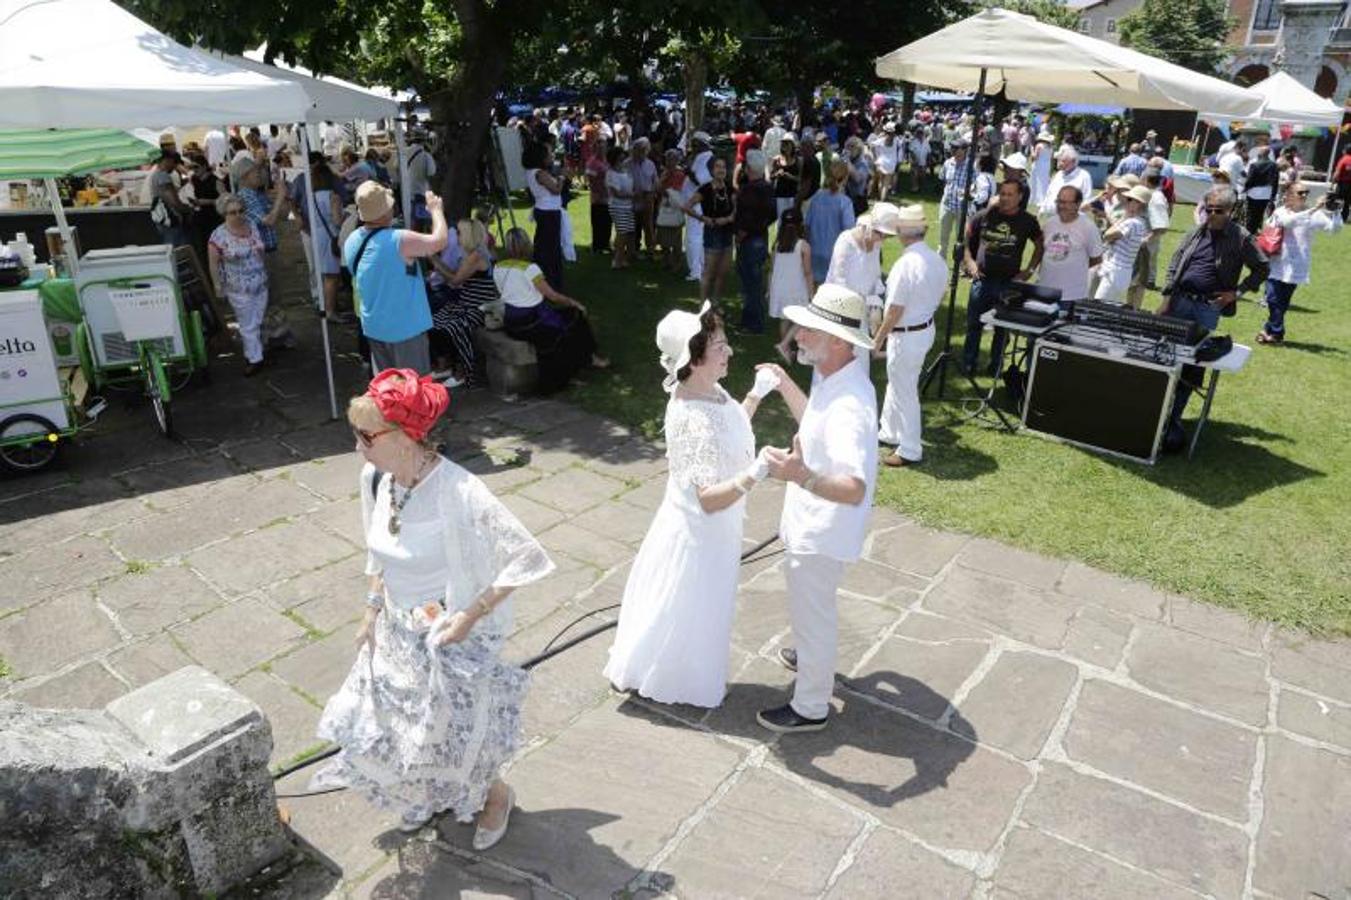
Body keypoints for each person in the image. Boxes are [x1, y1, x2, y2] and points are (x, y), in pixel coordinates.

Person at [314, 369, 553, 842]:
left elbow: (527, 555)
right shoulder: (377, 480)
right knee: (408, 727)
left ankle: (496, 794)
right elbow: (375, 550)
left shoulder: (459, 491)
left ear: (405, 438)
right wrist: (370, 612)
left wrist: (469, 615)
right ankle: (426, 795)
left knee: (460, 732)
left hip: (444, 636)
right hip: (397, 631)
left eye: (365, 436)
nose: (357, 446)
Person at [603, 305, 773, 707]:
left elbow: (728, 431)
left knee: (687, 609)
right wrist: (758, 471)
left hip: (715, 530)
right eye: (719, 346)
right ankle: (673, 678)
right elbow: (708, 499)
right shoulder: (691, 416)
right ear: (694, 358)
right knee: (689, 609)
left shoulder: (709, 390)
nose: (729, 351)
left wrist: (755, 395)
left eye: (725, 343)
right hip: (700, 535)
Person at [752, 284, 878, 733]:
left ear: (839, 341)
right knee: (811, 610)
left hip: (822, 531)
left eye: (809, 330)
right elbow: (813, 421)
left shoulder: (849, 406)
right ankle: (809, 657)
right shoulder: (833, 375)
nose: (798, 336)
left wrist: (799, 475)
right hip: (812, 522)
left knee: (814, 615)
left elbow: (853, 488)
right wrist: (785, 383)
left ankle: (810, 706)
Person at [1159, 185, 1269, 449]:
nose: (1211, 214)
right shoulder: (1198, 231)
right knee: (1165, 356)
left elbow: (1262, 267)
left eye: (1218, 211)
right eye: (1208, 209)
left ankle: (1174, 418)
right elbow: (1175, 262)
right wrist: (1166, 297)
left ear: (1231, 211)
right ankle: (1158, 411)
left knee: (1192, 365)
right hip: (1179, 303)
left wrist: (1237, 293)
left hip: (1207, 309)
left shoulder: (1240, 237)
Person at [345, 181, 448, 374]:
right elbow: (440, 241)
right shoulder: (398, 240)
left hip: (375, 329)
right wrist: (436, 210)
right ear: (385, 212)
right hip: (405, 330)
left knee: (390, 393)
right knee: (413, 392)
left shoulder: (352, 240)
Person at [875, 205, 947, 468]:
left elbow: (894, 310)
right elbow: (942, 294)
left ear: (901, 232)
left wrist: (878, 339)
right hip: (924, 329)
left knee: (905, 389)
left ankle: (910, 448)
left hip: (907, 334)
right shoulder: (937, 259)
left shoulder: (905, 265)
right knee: (898, 381)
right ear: (924, 230)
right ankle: (889, 431)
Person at [493, 227, 608, 391]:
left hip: (512, 321)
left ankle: (589, 358)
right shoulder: (530, 269)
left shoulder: (498, 267)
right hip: (531, 321)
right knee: (574, 318)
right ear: (526, 245)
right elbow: (552, 296)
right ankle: (587, 359)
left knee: (566, 321)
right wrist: (574, 302)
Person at [962, 181, 1043, 375]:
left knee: (1003, 329)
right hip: (982, 280)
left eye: (1010, 194)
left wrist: (1029, 271)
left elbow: (1040, 245)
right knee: (974, 325)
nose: (1005, 198)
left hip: (1009, 284)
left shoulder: (1028, 221)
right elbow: (965, 239)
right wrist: (970, 262)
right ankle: (968, 363)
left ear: (1020, 197)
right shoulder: (985, 215)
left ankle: (996, 366)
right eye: (1003, 194)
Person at [1257, 182, 1342, 344]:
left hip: (1296, 266)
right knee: (1272, 298)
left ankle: (1268, 330)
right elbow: (1288, 222)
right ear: (1289, 195)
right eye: (1300, 193)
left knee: (1282, 303)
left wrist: (1336, 211)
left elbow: (1333, 230)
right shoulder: (1280, 211)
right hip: (1276, 262)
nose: (1304, 196)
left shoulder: (1313, 214)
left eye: (1306, 193)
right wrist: (1314, 209)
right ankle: (1277, 333)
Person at [428, 219, 495, 388]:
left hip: (478, 308)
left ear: (468, 235)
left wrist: (434, 260)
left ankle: (463, 371)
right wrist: (438, 263)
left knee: (455, 326)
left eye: (458, 232)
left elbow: (455, 280)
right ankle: (445, 364)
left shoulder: (476, 255)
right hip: (466, 304)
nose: (455, 235)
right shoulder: (472, 253)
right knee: (431, 322)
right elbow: (455, 276)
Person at [207, 194, 270, 376]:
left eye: (241, 211)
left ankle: (255, 352)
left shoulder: (252, 225)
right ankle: (254, 359)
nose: (238, 215)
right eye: (232, 212)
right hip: (239, 287)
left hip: (260, 282)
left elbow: (260, 251)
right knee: (247, 323)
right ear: (224, 214)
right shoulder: (218, 235)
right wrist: (218, 286)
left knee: (256, 321)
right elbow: (213, 263)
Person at [734, 149, 777, 334]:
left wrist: (742, 233)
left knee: (750, 284)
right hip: (761, 237)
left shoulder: (749, 190)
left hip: (750, 239)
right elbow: (773, 214)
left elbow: (747, 217)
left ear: (749, 168)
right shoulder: (768, 187)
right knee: (755, 282)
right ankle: (752, 320)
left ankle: (752, 323)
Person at [684, 156, 736, 305]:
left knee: (723, 272)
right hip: (712, 232)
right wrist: (703, 218)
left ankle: (716, 303)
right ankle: (703, 306)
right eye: (718, 167)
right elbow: (687, 206)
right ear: (712, 171)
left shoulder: (729, 188)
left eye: (724, 167)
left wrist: (730, 218)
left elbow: (737, 207)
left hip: (727, 233)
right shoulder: (705, 189)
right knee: (709, 272)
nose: (721, 170)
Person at [1037, 186, 1103, 303]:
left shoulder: (1088, 227)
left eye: (1065, 203)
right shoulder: (1050, 223)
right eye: (1059, 201)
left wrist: (1075, 267)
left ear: (1077, 204)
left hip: (1070, 296)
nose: (1061, 206)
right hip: (1044, 290)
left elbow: (1096, 259)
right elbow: (1043, 250)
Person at [1095, 185, 1152, 305]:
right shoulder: (1140, 223)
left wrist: (1123, 217)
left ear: (1139, 204)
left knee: (1099, 306)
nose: (1126, 202)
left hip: (1115, 272)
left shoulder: (1131, 223)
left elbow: (1107, 235)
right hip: (1122, 272)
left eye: (1130, 199)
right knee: (1109, 308)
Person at [769, 208, 814, 358]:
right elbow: (807, 272)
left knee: (784, 319)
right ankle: (784, 345)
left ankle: (786, 349)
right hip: (796, 287)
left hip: (779, 288)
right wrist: (811, 292)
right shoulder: (803, 246)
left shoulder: (777, 246)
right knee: (804, 317)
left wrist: (769, 289)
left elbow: (772, 269)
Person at [804, 159, 857, 284]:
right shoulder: (845, 202)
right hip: (835, 255)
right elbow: (849, 232)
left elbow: (807, 226)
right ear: (845, 178)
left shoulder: (817, 197)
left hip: (814, 251)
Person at [684, 131, 714, 283]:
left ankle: (696, 271)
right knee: (697, 237)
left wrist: (689, 173)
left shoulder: (706, 157)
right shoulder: (700, 157)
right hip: (694, 203)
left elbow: (702, 182)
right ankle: (699, 268)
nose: (692, 147)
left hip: (698, 204)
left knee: (694, 238)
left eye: (695, 144)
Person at [149, 150, 193, 248]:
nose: (174, 166)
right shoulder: (163, 176)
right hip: (171, 218)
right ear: (167, 160)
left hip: (162, 219)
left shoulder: (156, 175)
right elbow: (173, 201)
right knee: (179, 251)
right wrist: (187, 210)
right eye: (174, 162)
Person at [937, 139, 972, 262]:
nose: (954, 151)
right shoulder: (948, 163)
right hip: (947, 205)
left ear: (965, 150)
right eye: (953, 148)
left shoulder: (971, 165)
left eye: (957, 148)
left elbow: (976, 185)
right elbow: (943, 180)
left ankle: (960, 263)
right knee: (943, 236)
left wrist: (969, 193)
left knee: (961, 238)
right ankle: (940, 260)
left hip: (963, 208)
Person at [1038, 145, 1094, 219]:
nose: (1060, 164)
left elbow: (1086, 200)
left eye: (1063, 161)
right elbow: (1049, 193)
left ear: (1073, 162)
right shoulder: (1059, 174)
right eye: (1060, 160)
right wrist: (1042, 209)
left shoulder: (1084, 176)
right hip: (1052, 217)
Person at [655, 150, 688, 274]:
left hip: (675, 207)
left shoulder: (680, 174)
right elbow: (657, 189)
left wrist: (667, 192)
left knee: (675, 239)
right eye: (668, 159)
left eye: (673, 159)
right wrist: (663, 179)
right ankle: (666, 260)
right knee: (663, 237)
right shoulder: (664, 173)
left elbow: (678, 191)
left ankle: (677, 263)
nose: (670, 162)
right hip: (664, 207)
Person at [605, 145, 637, 270]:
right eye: (620, 158)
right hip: (617, 206)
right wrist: (633, 195)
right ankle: (617, 260)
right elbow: (616, 193)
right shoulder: (611, 174)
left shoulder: (625, 171)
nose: (623, 160)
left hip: (628, 206)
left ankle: (623, 258)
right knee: (622, 232)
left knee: (628, 232)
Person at [1243, 145, 1279, 235]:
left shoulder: (1254, 165)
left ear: (1260, 153)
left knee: (1251, 214)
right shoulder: (1273, 165)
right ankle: (1255, 231)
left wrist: (1245, 188)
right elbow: (1275, 181)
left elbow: (1249, 179)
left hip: (1254, 193)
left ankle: (1249, 232)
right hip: (1266, 193)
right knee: (1260, 214)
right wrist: (1273, 195)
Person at [405, 130, 437, 230]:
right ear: (424, 141)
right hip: (421, 191)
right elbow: (431, 173)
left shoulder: (404, 152)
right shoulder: (426, 155)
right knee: (422, 221)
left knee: (410, 219)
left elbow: (396, 166)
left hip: (407, 191)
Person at [585, 137, 611, 254]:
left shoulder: (607, 161)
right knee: (598, 222)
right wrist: (598, 192)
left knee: (607, 221)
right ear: (595, 149)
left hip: (608, 196)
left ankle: (606, 244)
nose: (602, 150)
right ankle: (597, 246)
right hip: (598, 197)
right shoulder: (592, 162)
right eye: (599, 148)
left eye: (604, 147)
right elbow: (591, 180)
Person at [771, 134, 804, 219]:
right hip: (780, 194)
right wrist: (777, 174)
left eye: (787, 143)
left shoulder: (798, 161)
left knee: (792, 219)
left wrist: (790, 177)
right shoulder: (777, 160)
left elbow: (801, 179)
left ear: (792, 145)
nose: (785, 146)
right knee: (781, 219)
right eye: (783, 143)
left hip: (793, 194)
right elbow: (771, 177)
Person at [869, 122, 901, 201]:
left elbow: (871, 145)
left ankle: (881, 198)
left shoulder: (881, 140)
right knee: (886, 184)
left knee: (881, 181)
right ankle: (882, 200)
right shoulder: (896, 140)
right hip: (891, 163)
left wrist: (875, 157)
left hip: (881, 162)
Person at [1029, 130, 1054, 208]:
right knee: (1044, 182)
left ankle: (1034, 199)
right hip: (1046, 166)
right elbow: (1051, 158)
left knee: (1035, 181)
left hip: (1038, 164)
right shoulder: (1051, 147)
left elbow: (1035, 157)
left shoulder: (1039, 145)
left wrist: (1031, 150)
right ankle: (1042, 199)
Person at [1333, 146, 1351, 224]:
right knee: (1347, 203)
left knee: (1337, 201)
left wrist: (1333, 181)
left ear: (1346, 150)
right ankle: (1343, 219)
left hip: (1342, 184)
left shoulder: (1344, 159)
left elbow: (1337, 172)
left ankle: (1335, 218)